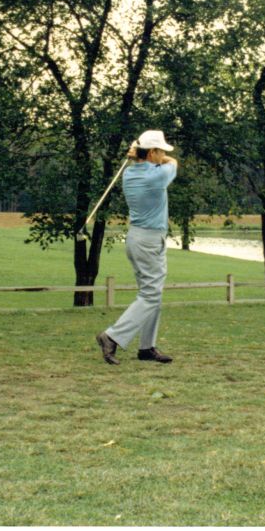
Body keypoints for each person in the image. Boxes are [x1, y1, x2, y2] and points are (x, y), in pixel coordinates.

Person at [96, 130, 178, 365]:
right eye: (161, 150)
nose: (164, 154)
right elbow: (174, 162)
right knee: (151, 294)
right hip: (149, 241)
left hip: (138, 239)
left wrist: (139, 155)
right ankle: (111, 336)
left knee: (153, 294)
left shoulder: (129, 173)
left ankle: (147, 347)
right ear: (152, 152)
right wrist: (151, 156)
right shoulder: (157, 176)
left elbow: (157, 161)